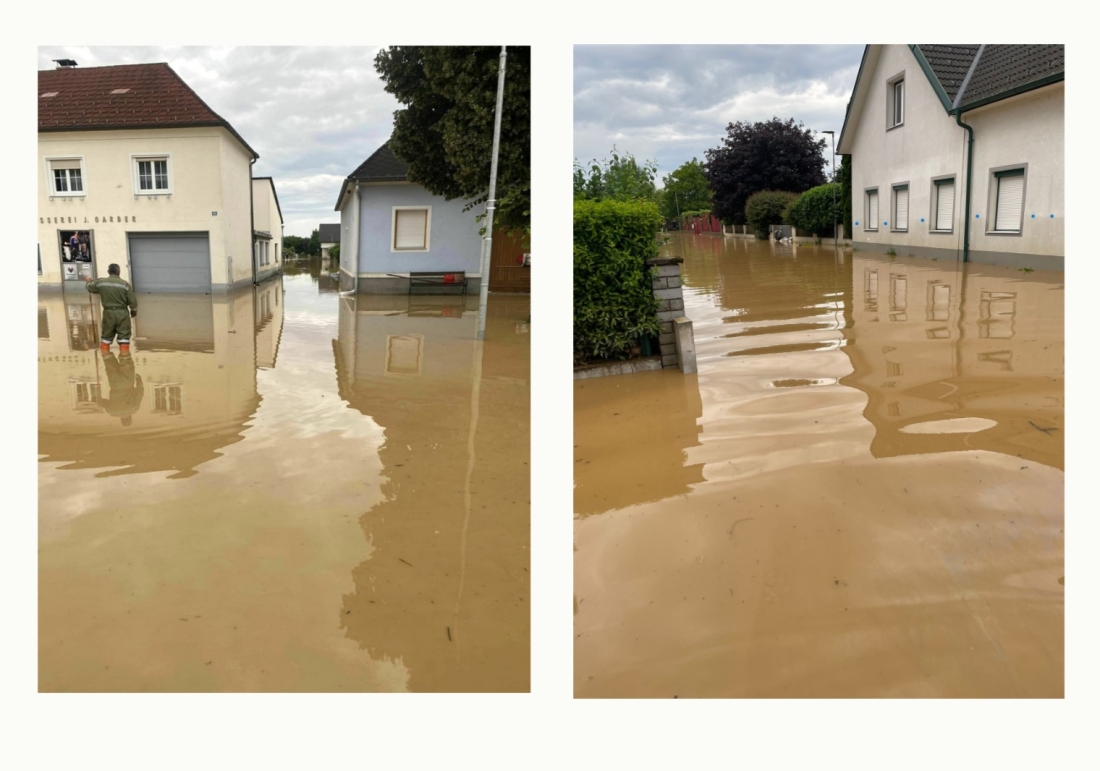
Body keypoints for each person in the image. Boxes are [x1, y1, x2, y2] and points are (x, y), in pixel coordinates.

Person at [84, 264, 138, 354]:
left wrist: (88, 281)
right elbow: (133, 301)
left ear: (108, 272)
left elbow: (90, 288)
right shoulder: (125, 284)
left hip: (108, 314)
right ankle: (125, 359)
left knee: (106, 336)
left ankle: (107, 359)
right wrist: (133, 311)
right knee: (124, 337)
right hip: (122, 313)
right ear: (118, 272)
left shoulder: (101, 283)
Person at [97, 350, 144, 426]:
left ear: (130, 418)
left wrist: (139, 381)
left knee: (126, 360)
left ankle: (123, 343)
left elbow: (139, 393)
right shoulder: (112, 411)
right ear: (121, 420)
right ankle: (104, 343)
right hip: (114, 384)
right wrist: (98, 392)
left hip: (128, 382)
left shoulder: (134, 408)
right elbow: (100, 402)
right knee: (108, 359)